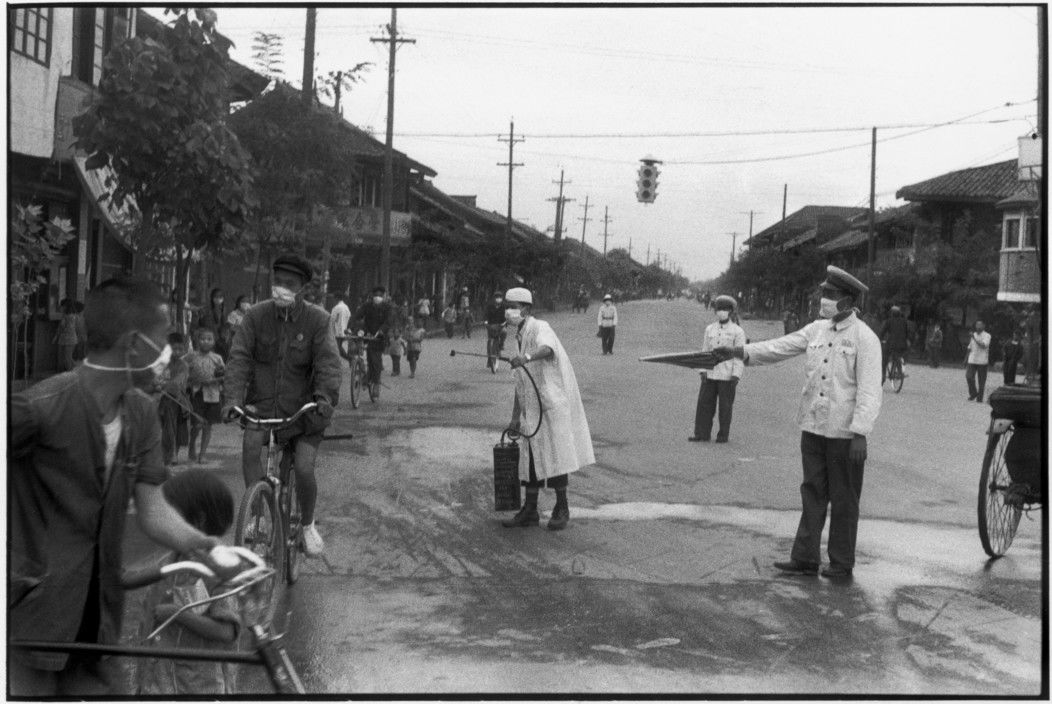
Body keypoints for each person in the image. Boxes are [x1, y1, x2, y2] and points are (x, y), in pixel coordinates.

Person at [8, 276, 239, 696]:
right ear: (134, 344)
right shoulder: (39, 408)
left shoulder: (141, 413)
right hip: (34, 624)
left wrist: (203, 545)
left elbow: (153, 509)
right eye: (162, 341)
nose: (168, 353)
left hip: (100, 622)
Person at [712, 265, 882, 580]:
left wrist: (861, 432)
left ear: (847, 299)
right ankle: (805, 557)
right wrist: (737, 351)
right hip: (813, 426)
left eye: (830, 294)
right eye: (824, 293)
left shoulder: (865, 338)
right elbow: (779, 347)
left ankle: (841, 562)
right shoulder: (816, 330)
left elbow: (870, 390)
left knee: (844, 499)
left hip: (845, 433)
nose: (824, 299)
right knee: (812, 492)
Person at [222, 254, 341, 557]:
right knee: (250, 446)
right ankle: (258, 515)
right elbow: (239, 358)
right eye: (278, 281)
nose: (281, 288)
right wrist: (232, 400)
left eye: (290, 283)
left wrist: (324, 399)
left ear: (303, 288)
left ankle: (307, 525)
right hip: (263, 408)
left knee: (303, 467)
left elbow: (328, 365)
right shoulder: (255, 316)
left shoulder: (318, 320)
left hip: (305, 412)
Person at [501, 287, 595, 531]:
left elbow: (547, 349)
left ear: (526, 309)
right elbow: (521, 382)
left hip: (550, 405)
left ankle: (561, 508)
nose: (508, 311)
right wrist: (515, 417)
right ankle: (530, 510)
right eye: (506, 306)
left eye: (513, 306)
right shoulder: (518, 336)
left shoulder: (540, 327)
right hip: (531, 408)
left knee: (556, 457)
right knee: (530, 459)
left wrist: (527, 357)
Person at [137, 470, 239, 695]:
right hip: (159, 683)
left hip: (199, 688)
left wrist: (179, 614)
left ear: (198, 520)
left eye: (170, 515)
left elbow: (227, 632)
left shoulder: (217, 570)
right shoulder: (170, 561)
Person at [690, 295, 746, 443]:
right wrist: (702, 370)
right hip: (710, 372)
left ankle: (723, 435)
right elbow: (705, 350)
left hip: (727, 374)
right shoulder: (710, 329)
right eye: (719, 309)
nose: (721, 311)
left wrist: (736, 375)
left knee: (725, 407)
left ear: (730, 311)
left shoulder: (737, 331)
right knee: (704, 404)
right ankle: (701, 434)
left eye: (724, 309)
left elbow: (739, 355)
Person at [185, 328, 224, 465]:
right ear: (197, 340)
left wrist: (214, 380)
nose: (206, 341)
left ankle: (202, 454)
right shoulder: (191, 357)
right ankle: (192, 444)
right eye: (202, 339)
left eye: (209, 339)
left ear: (214, 342)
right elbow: (183, 371)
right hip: (197, 393)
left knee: (208, 425)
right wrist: (191, 381)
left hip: (213, 395)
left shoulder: (217, 359)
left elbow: (223, 376)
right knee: (197, 424)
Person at [157, 331, 190, 466]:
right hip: (161, 399)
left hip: (177, 400)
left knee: (175, 428)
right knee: (164, 427)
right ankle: (166, 454)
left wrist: (164, 386)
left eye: (180, 349)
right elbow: (156, 378)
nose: (177, 352)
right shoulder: (162, 363)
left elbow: (177, 383)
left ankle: (173, 453)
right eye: (174, 349)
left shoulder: (183, 365)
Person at [352, 285, 393, 394]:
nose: (377, 297)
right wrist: (351, 328)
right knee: (367, 357)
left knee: (375, 360)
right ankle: (367, 376)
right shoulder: (367, 305)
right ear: (372, 296)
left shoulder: (387, 307)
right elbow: (357, 316)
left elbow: (389, 321)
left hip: (380, 337)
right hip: (367, 334)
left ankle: (376, 382)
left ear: (383, 296)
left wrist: (381, 331)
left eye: (380, 295)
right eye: (375, 295)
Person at [195, 288, 230, 360]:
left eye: (220, 297)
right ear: (212, 298)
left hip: (219, 339)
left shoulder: (224, 309)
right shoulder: (206, 309)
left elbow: (224, 324)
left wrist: (224, 335)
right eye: (216, 297)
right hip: (208, 335)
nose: (218, 299)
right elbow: (202, 323)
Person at [879, 305, 909, 385]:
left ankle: (883, 376)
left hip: (892, 344)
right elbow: (907, 333)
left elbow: (882, 332)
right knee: (897, 356)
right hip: (903, 345)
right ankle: (899, 372)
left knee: (884, 359)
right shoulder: (904, 321)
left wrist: (880, 339)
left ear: (892, 313)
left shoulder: (889, 321)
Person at [965, 320, 992, 402]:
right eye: (977, 325)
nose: (978, 327)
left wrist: (974, 338)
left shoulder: (987, 335)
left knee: (981, 381)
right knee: (969, 377)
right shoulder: (973, 334)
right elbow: (969, 347)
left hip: (982, 361)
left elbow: (983, 345)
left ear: (984, 326)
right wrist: (966, 358)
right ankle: (973, 393)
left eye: (980, 325)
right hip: (972, 359)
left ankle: (980, 398)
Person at [53, 298, 79, 371]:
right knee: (68, 357)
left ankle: (71, 371)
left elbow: (61, 327)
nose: (60, 307)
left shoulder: (65, 316)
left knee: (67, 358)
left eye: (62, 306)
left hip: (67, 338)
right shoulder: (75, 316)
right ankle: (76, 370)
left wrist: (56, 337)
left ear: (65, 306)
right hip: (72, 338)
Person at [484, 291, 507, 370]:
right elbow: (486, 315)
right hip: (491, 326)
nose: (498, 299)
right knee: (489, 342)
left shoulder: (504, 306)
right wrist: (486, 322)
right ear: (494, 298)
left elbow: (506, 316)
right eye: (497, 297)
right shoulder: (490, 306)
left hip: (500, 325)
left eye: (500, 297)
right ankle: (489, 360)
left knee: (504, 332)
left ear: (502, 298)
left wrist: (505, 322)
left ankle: (501, 344)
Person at [329, 291, 352, 360]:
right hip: (343, 331)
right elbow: (349, 317)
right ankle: (350, 359)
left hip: (336, 332)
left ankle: (350, 359)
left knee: (336, 349)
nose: (332, 300)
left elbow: (332, 320)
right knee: (337, 348)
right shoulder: (346, 307)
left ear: (336, 298)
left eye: (333, 298)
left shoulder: (336, 308)